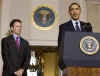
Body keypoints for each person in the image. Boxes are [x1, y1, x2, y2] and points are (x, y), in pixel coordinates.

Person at [58, 2, 92, 75]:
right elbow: (61, 46)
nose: (75, 11)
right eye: (72, 9)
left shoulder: (87, 26)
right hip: (70, 63)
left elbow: (90, 43)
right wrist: (62, 64)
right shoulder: (63, 27)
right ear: (69, 12)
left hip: (85, 63)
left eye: (77, 9)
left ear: (80, 11)